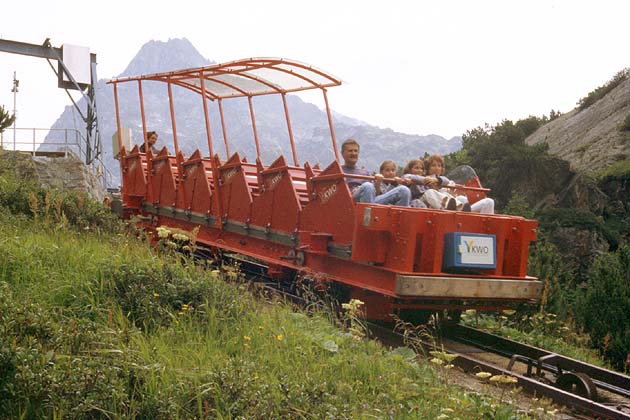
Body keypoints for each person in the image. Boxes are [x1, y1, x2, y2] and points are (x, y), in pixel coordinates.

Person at [340, 139, 410, 206]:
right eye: (350, 151)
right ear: (343, 153)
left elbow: (375, 194)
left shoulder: (365, 172)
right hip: (351, 201)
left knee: (404, 190)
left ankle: (399, 217)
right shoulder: (339, 171)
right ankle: (367, 216)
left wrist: (377, 184)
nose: (353, 153)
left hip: (370, 200)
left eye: (356, 151)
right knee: (367, 186)